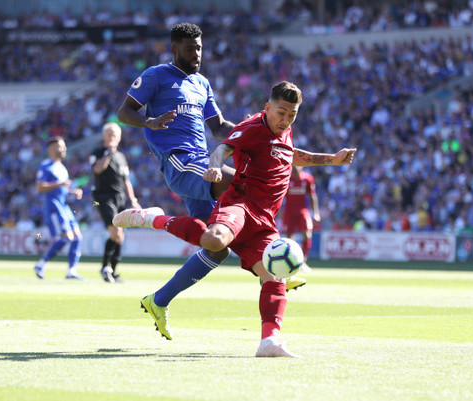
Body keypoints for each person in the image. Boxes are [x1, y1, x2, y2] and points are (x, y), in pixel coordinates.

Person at [114, 81, 356, 357]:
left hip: (265, 221)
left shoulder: (284, 132)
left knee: (274, 275)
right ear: (267, 108)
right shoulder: (252, 128)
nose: (286, 119)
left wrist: (331, 160)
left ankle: (270, 341)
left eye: (292, 114)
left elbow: (293, 156)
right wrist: (215, 168)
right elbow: (222, 149)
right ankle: (152, 219)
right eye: (281, 112)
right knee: (215, 241)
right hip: (239, 204)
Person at [117, 22, 307, 292]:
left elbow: (218, 127)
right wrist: (150, 121)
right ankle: (271, 262)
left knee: (216, 245)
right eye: (190, 49)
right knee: (241, 184)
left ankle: (158, 300)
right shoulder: (155, 76)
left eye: (199, 48)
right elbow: (124, 113)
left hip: (203, 165)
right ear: (174, 49)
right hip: (180, 161)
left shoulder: (201, 83)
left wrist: (256, 132)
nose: (196, 54)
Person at [90, 122, 142, 283]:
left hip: (120, 197)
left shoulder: (121, 157)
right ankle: (105, 268)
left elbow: (126, 180)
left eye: (115, 133)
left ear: (119, 137)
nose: (112, 136)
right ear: (104, 136)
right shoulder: (98, 152)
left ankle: (112, 270)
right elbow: (97, 169)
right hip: (103, 197)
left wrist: (133, 199)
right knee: (115, 231)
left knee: (120, 236)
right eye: (109, 133)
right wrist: (109, 153)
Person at [34, 136, 84, 280]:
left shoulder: (62, 167)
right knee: (66, 238)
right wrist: (59, 184)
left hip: (64, 206)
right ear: (51, 149)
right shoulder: (46, 166)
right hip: (53, 206)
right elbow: (40, 187)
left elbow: (61, 188)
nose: (64, 149)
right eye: (61, 146)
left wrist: (72, 192)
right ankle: (41, 264)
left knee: (77, 237)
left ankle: (71, 272)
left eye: (64, 146)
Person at [281, 166, 321, 273]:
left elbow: (312, 196)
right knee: (289, 238)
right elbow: (281, 196)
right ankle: (291, 261)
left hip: (302, 211)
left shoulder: (307, 178)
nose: (295, 168)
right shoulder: (287, 178)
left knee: (307, 234)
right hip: (289, 211)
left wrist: (316, 213)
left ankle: (303, 261)